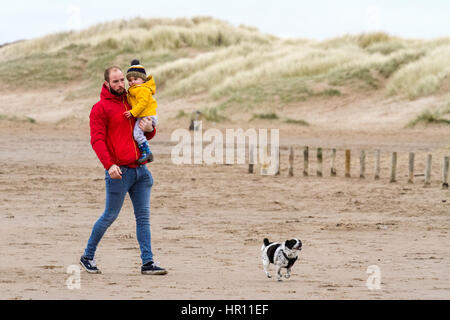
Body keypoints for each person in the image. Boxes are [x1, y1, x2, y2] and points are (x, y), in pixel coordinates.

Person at [80, 66, 167, 275]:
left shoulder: (133, 100)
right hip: (119, 172)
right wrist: (109, 165)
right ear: (107, 83)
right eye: (116, 81)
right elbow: (97, 141)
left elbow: (145, 133)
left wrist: (150, 129)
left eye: (122, 80)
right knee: (110, 216)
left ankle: (148, 263)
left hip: (141, 171)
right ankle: (87, 256)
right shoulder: (100, 108)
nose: (121, 85)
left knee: (143, 218)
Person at [123, 59, 158, 163]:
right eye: (129, 80)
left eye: (135, 79)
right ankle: (146, 152)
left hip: (147, 116)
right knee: (138, 134)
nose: (132, 82)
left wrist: (133, 112)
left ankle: (146, 152)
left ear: (143, 79)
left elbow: (142, 103)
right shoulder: (135, 89)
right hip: (145, 115)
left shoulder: (142, 89)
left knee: (137, 134)